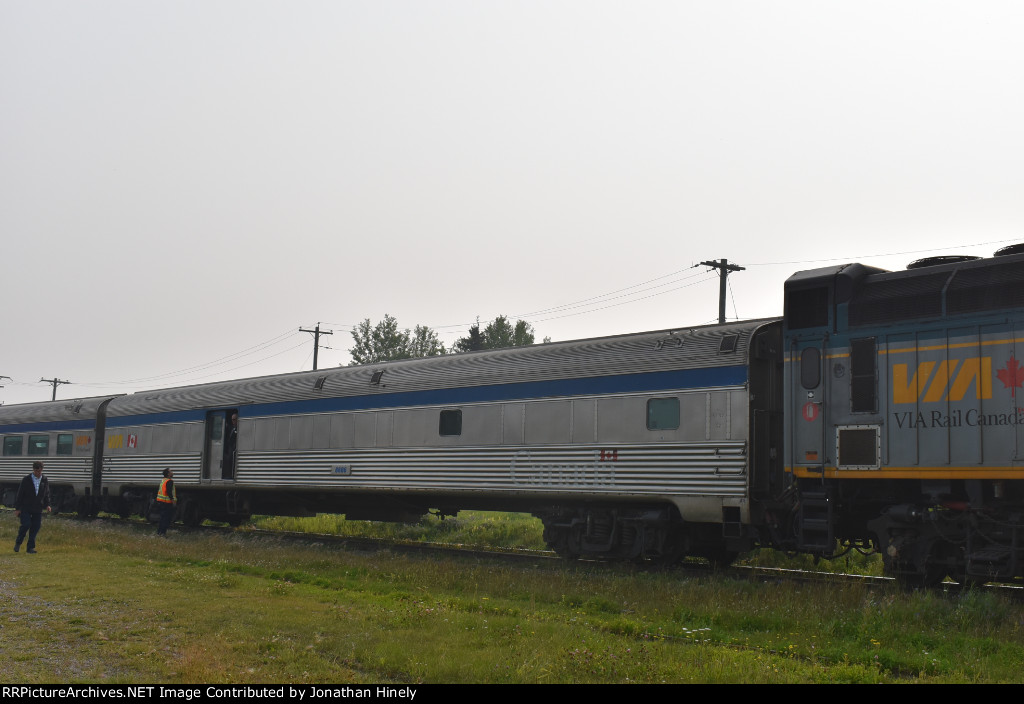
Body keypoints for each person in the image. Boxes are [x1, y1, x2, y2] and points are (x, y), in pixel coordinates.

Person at [14, 461, 51, 554]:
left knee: (35, 527)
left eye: (40, 471)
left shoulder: (44, 480)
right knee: (26, 524)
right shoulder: (26, 479)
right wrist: (17, 508)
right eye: (36, 471)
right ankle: (18, 542)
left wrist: (47, 505)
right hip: (26, 507)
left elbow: (46, 494)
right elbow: (20, 494)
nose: (38, 473)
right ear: (33, 470)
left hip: (37, 507)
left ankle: (30, 548)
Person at [156, 468, 177, 536]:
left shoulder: (163, 480)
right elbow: (169, 492)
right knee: (166, 519)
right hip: (167, 503)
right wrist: (173, 500)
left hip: (161, 502)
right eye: (171, 471)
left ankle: (159, 532)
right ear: (168, 474)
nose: (172, 472)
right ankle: (162, 533)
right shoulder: (169, 481)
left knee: (162, 518)